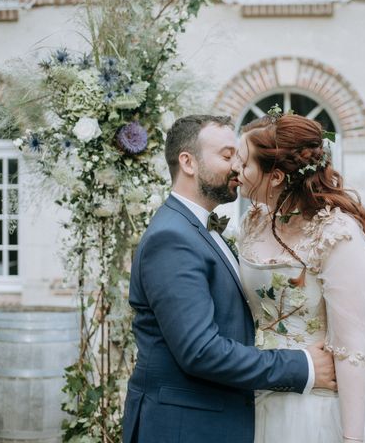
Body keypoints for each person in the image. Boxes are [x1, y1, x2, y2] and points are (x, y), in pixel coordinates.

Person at [123, 114, 337, 443]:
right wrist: (304, 366)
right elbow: (201, 351)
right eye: (227, 156)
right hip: (184, 428)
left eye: (239, 157)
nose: (238, 167)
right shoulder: (172, 238)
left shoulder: (200, 228)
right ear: (188, 163)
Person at [231, 113, 365, 443]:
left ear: (277, 176)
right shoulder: (253, 222)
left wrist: (351, 437)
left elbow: (351, 349)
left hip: (316, 409)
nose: (236, 171)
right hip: (253, 396)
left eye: (244, 164)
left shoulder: (338, 236)